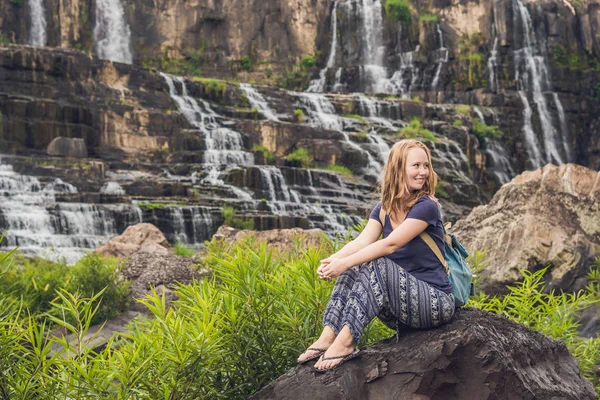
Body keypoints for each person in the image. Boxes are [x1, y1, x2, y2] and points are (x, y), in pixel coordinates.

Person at [296, 139, 455, 372]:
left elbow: (390, 244)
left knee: (377, 261)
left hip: (435, 303)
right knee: (354, 265)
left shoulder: (426, 206)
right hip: (400, 310)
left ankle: (346, 342)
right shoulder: (383, 208)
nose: (423, 172)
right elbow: (362, 242)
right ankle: (329, 335)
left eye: (426, 166)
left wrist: (344, 263)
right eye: (416, 166)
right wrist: (334, 261)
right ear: (398, 167)